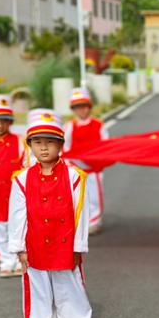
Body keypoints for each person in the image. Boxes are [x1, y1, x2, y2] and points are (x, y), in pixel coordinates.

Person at [8, 109, 91, 318]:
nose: (44, 148)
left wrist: (78, 246)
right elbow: (17, 215)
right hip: (35, 246)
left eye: (50, 142)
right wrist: (19, 248)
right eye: (38, 142)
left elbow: (81, 214)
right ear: (30, 145)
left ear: (61, 145)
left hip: (65, 244)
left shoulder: (75, 176)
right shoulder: (21, 179)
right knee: (39, 294)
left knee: (69, 292)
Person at [64, 88, 108, 234]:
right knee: (77, 197)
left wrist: (99, 162)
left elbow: (106, 145)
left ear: (89, 106)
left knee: (94, 196)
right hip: (76, 168)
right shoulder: (69, 126)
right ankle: (80, 222)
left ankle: (95, 221)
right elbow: (65, 147)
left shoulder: (98, 125)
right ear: (73, 109)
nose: (81, 110)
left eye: (83, 106)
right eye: (77, 107)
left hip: (94, 168)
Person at [0, 95, 25, 277]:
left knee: (18, 229)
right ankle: (6, 262)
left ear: (10, 122)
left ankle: (20, 261)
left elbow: (28, 165)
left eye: (4, 121)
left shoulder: (20, 141)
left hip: (15, 195)